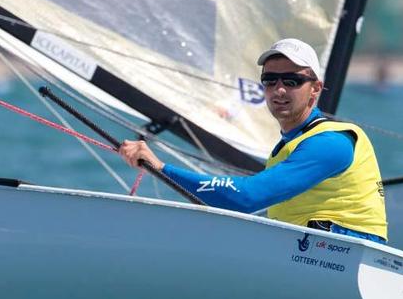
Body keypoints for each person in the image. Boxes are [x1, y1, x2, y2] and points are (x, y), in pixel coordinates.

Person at [118, 38, 388, 243]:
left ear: (315, 88)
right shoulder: (288, 145)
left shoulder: (331, 142)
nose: (279, 89)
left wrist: (161, 169)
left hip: (349, 263)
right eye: (270, 80)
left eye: (292, 81)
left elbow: (246, 197)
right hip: (311, 259)